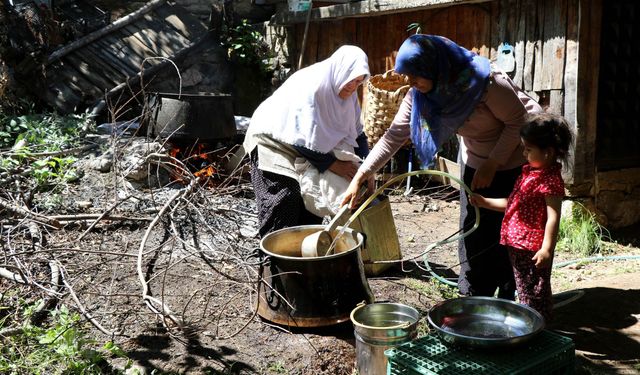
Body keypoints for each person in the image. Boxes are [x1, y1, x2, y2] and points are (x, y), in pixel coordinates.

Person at [341, 34, 542, 299]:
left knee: (508, 231)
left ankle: (510, 297)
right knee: (474, 228)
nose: (410, 84)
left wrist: (493, 163)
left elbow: (520, 122)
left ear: (434, 68)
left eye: (415, 76)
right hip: (475, 156)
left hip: (515, 156)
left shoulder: (487, 84)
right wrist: (362, 174)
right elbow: (392, 137)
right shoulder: (421, 96)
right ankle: (472, 298)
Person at [243, 45, 371, 237]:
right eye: (351, 80)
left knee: (313, 200)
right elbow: (296, 134)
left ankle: (305, 255)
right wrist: (332, 164)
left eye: (358, 82)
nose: (353, 86)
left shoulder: (349, 97)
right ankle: (274, 261)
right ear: (341, 71)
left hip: (307, 147)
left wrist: (366, 169)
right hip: (272, 140)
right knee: (284, 196)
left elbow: (359, 135)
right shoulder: (314, 86)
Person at [469, 113, 573, 321]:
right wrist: (484, 202)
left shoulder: (550, 181)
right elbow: (514, 203)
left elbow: (553, 218)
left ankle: (538, 329)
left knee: (534, 292)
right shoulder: (530, 173)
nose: (524, 153)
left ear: (548, 152)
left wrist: (546, 249)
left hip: (531, 248)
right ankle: (530, 324)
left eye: (528, 149)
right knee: (525, 289)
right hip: (517, 244)